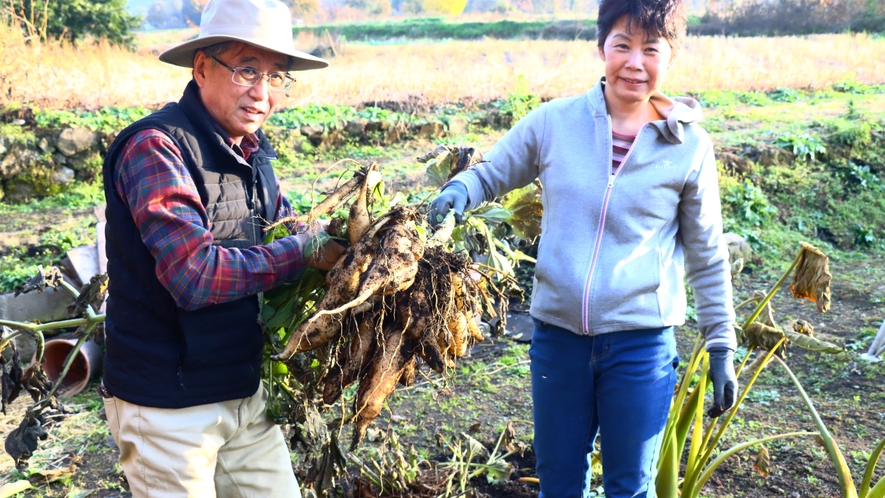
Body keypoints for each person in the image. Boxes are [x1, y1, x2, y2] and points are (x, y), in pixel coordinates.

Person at [429, 0, 739, 496]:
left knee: (629, 486)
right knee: (558, 481)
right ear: (602, 49)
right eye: (622, 45)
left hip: (641, 344)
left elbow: (706, 253)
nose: (635, 63)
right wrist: (463, 189)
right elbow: (493, 170)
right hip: (559, 340)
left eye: (650, 49)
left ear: (670, 58)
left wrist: (721, 343)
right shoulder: (555, 122)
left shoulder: (690, 148)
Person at [99, 0, 342, 496]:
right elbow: (195, 275)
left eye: (276, 77)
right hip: (167, 406)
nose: (262, 93)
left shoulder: (252, 151)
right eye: (247, 70)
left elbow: (289, 228)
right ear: (203, 67)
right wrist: (306, 251)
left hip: (241, 392)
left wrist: (359, 236)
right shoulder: (156, 147)